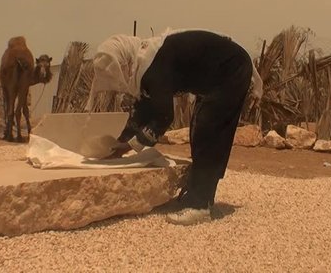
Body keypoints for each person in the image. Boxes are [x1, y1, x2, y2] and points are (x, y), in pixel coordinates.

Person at [88, 28, 262, 225]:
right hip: (220, 72)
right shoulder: (146, 62)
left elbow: (163, 116)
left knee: (210, 131)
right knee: (199, 128)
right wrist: (118, 144)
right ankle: (197, 193)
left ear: (124, 62)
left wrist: (129, 146)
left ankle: (200, 205)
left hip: (232, 69)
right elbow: (143, 111)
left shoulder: (152, 67)